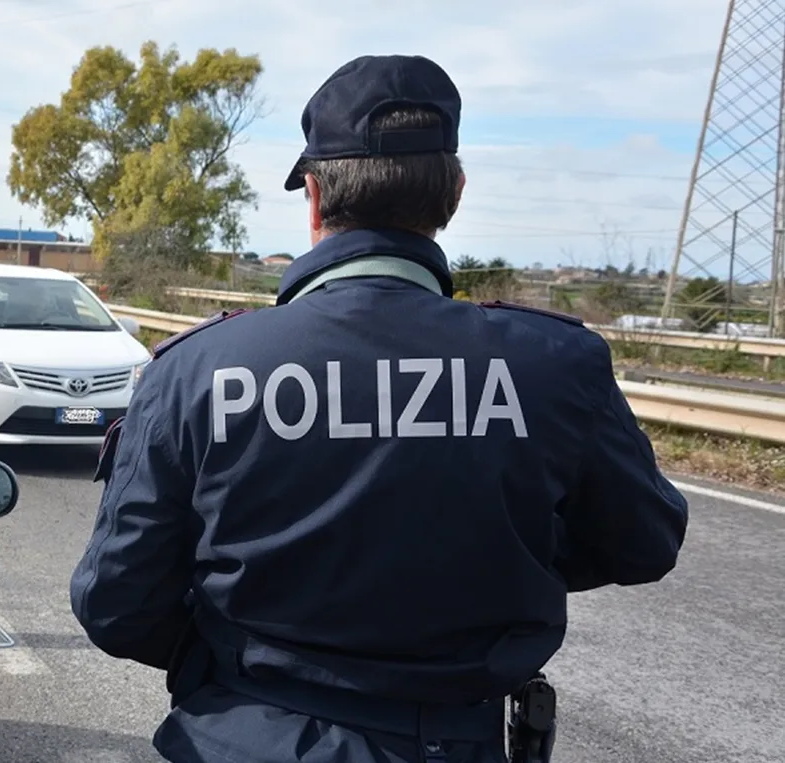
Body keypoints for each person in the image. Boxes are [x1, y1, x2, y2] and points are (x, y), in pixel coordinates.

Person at [69, 54, 689, 763]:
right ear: (454, 194)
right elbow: (643, 542)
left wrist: (233, 652)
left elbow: (117, 604)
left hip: (243, 734)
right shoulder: (554, 364)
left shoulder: (197, 370)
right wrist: (495, 556)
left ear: (313, 197)